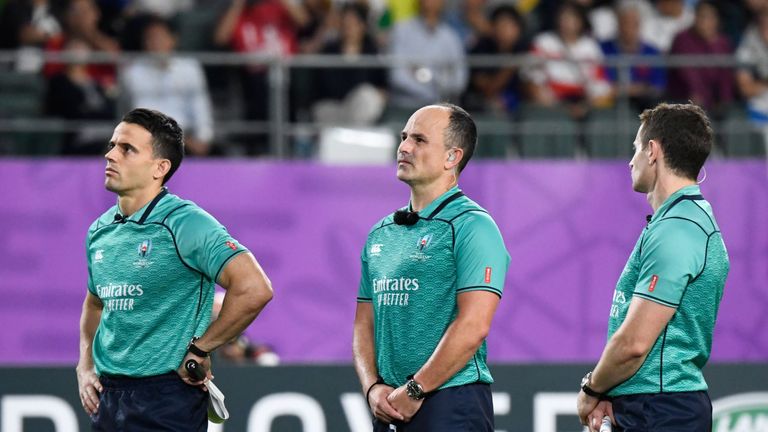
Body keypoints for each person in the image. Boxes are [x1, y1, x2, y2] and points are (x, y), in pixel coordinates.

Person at [76, 108, 273, 431]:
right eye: (112, 145)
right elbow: (94, 303)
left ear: (160, 167)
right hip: (108, 399)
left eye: (127, 149)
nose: (110, 155)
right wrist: (84, 365)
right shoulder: (99, 230)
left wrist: (201, 347)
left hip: (166, 399)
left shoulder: (186, 224)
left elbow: (254, 288)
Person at [353, 103, 510, 431]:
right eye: (404, 136)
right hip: (389, 406)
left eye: (420, 140)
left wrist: (415, 389)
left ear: (452, 157)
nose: (404, 147)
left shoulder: (473, 226)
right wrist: (372, 388)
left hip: (450, 401)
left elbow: (474, 325)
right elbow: (363, 325)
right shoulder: (381, 232)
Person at [576, 103, 730, 432]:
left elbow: (633, 343)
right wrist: (612, 389)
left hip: (661, 408)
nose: (631, 160)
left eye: (635, 148)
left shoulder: (678, 227)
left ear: (652, 150)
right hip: (654, 403)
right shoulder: (684, 220)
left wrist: (593, 388)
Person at [122, 17, 214, 156]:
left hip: (186, 138)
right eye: (150, 38)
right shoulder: (133, 72)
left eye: (160, 37)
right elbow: (142, 114)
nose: (155, 43)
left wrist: (203, 139)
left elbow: (201, 107)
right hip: (150, 140)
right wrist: (177, 139)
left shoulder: (190, 68)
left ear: (173, 40)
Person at [666, 1, 734, 113]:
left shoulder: (723, 43)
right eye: (701, 17)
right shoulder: (682, 39)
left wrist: (724, 101)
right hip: (684, 99)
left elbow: (725, 76)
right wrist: (698, 97)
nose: (703, 22)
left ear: (717, 20)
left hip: (715, 102)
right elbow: (687, 74)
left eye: (709, 18)